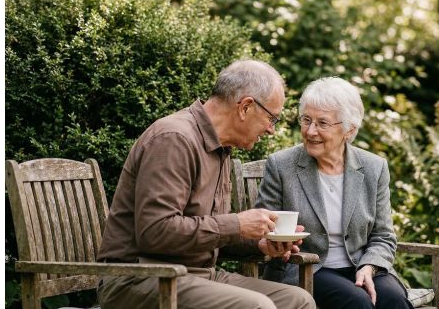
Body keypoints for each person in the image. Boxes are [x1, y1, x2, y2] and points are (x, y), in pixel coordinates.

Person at [96, 59, 316, 309]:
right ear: (245, 107)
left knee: (298, 301)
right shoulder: (174, 139)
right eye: (271, 118)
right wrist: (237, 224)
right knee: (257, 307)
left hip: (197, 275)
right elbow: (155, 232)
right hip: (139, 278)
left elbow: (207, 232)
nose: (270, 130)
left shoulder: (220, 148)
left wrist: (261, 243)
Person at [255, 77, 412, 309]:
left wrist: (369, 266)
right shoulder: (282, 165)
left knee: (393, 300)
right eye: (306, 120)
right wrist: (276, 243)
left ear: (349, 130)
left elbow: (383, 236)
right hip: (308, 269)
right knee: (357, 302)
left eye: (322, 123)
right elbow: (262, 226)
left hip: (361, 265)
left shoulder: (374, 167)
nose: (311, 131)